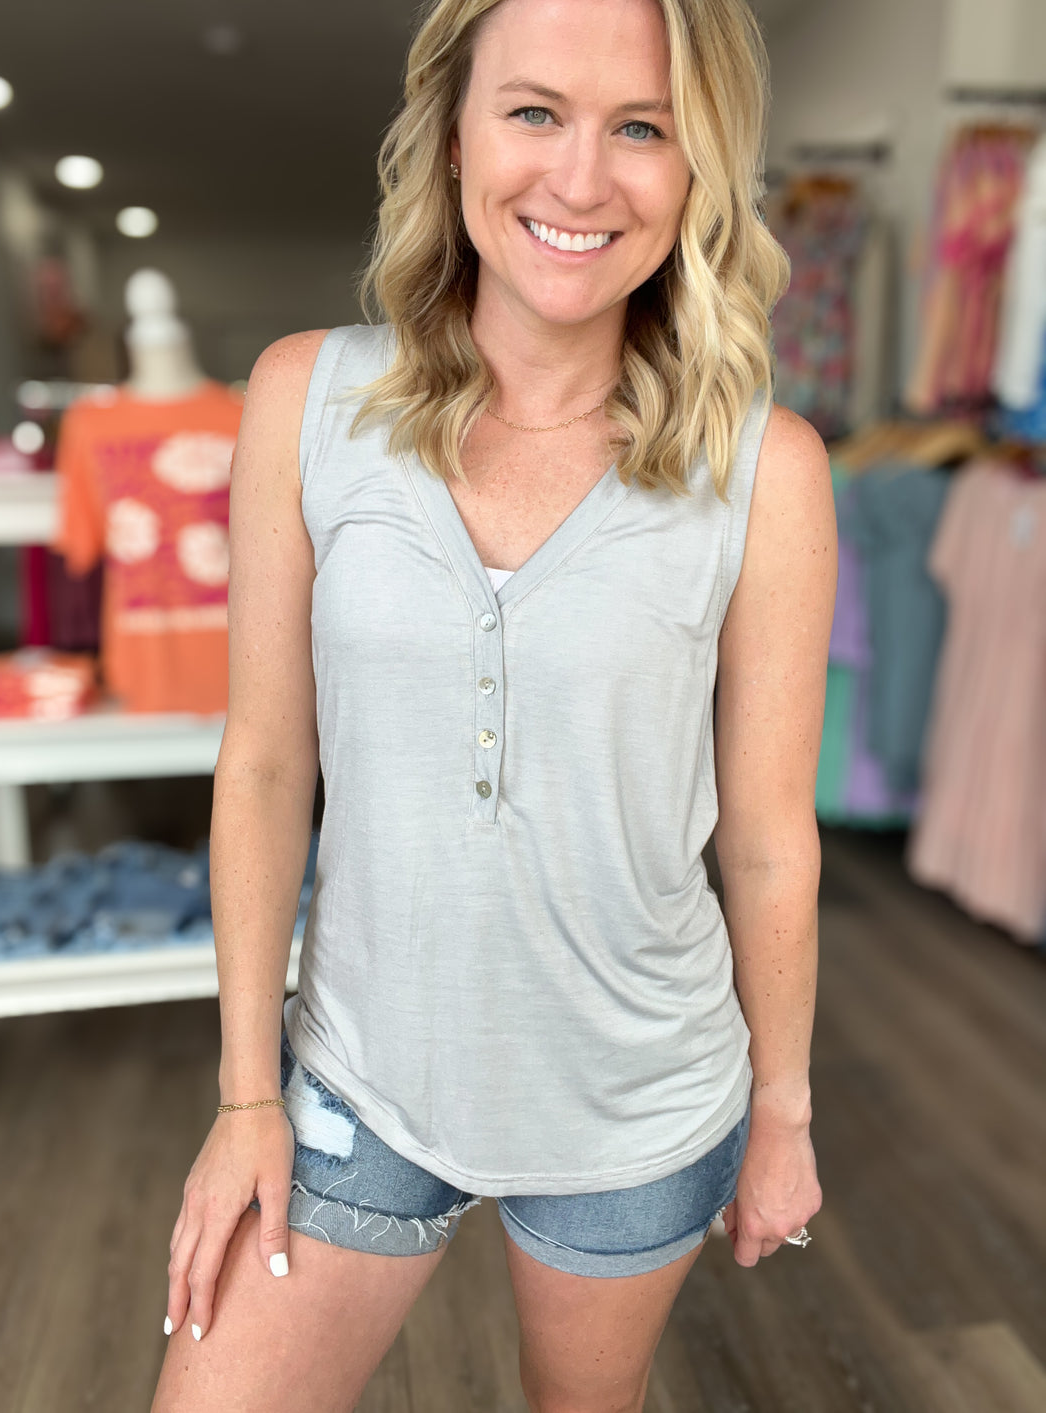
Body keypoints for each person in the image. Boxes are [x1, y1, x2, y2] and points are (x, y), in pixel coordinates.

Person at [152, 0, 833, 1408]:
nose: (581, 180)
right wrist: (244, 1095)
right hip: (358, 1078)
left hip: (636, 1105)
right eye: (534, 112)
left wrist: (783, 1110)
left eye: (639, 128)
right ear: (452, 135)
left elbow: (767, 837)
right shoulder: (306, 400)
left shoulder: (768, 471)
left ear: (695, 167)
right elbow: (269, 762)